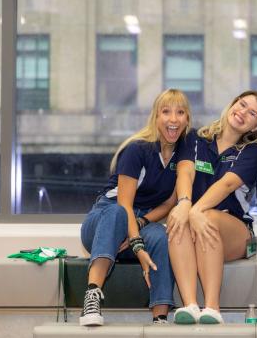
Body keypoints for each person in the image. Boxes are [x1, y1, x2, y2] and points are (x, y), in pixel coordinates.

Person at [79, 89, 191, 326]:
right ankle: (91, 297)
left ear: (187, 119)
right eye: (166, 112)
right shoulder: (137, 149)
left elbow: (169, 203)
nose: (173, 119)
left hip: (138, 221)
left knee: (163, 235)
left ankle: (160, 316)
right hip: (106, 216)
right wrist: (137, 245)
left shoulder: (183, 155)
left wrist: (141, 224)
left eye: (180, 112)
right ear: (155, 117)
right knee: (118, 214)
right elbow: (124, 205)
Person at [166, 90, 257, 324]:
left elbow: (226, 185)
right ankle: (190, 305)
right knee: (177, 220)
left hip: (239, 233)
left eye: (252, 112)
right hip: (195, 224)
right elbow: (185, 171)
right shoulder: (194, 138)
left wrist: (195, 210)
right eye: (241, 104)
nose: (243, 112)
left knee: (209, 217)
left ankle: (212, 308)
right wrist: (184, 204)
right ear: (232, 103)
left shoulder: (253, 151)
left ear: (256, 126)